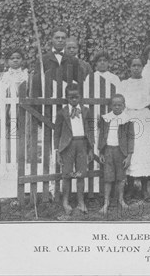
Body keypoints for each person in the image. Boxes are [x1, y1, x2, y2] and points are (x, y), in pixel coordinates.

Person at [118, 56, 150, 201]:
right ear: (129, 67)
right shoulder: (123, 84)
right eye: (133, 65)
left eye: (139, 65)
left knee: (144, 153)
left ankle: (144, 189)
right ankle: (130, 188)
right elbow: (120, 105)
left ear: (143, 67)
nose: (136, 68)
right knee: (131, 153)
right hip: (129, 119)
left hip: (145, 119)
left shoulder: (148, 84)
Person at [54, 84, 95, 215]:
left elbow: (90, 130)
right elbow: (57, 133)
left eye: (76, 97)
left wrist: (90, 149)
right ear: (66, 98)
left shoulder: (86, 111)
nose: (74, 100)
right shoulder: (62, 112)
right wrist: (57, 151)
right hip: (67, 146)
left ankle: (81, 202)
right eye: (71, 97)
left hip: (82, 144)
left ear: (80, 97)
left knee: (81, 174)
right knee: (67, 174)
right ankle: (65, 202)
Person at [98, 94, 134, 213]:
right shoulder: (106, 118)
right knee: (108, 178)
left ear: (124, 106)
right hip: (108, 151)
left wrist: (129, 156)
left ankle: (120, 199)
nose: (117, 107)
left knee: (121, 177)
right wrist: (101, 152)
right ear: (111, 106)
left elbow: (131, 138)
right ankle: (106, 202)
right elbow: (102, 135)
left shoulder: (128, 119)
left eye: (120, 105)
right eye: (114, 105)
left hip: (121, 151)